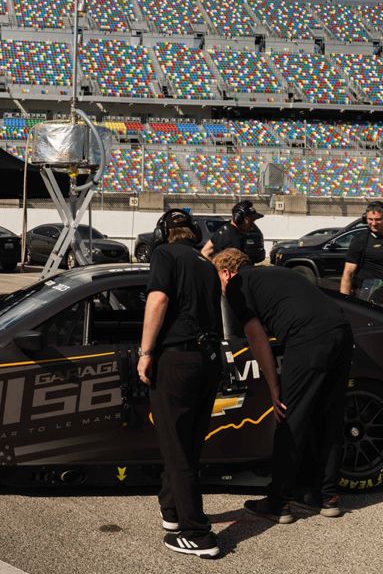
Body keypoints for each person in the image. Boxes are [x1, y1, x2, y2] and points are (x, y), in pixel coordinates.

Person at [213, 248, 345, 522]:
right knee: (329, 417)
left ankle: (278, 503)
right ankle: (326, 496)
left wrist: (274, 388)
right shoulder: (275, 272)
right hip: (342, 332)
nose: (221, 287)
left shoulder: (237, 284)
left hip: (308, 339)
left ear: (226, 273)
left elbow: (256, 338)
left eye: (218, 280)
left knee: (289, 418)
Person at [137, 209, 228, 559]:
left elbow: (158, 299)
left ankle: (196, 532)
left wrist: (146, 351)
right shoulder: (205, 264)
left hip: (178, 359)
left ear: (163, 233)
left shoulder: (163, 254)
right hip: (208, 360)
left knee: (176, 448)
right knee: (187, 445)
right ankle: (172, 512)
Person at [339, 201, 383, 298]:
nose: (373, 223)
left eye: (378, 219)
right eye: (370, 219)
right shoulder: (360, 240)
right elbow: (348, 273)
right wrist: (344, 301)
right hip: (368, 295)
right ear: (365, 219)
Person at [200, 199, 265, 263]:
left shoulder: (224, 229)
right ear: (238, 218)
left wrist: (214, 270)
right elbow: (234, 268)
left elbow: (205, 251)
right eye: (250, 221)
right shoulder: (233, 238)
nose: (252, 225)